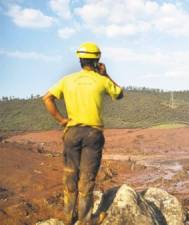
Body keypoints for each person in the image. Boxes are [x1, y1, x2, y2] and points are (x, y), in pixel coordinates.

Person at [42, 42, 123, 225]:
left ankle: (68, 218)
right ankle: (86, 220)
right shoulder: (102, 80)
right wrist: (106, 74)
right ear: (97, 61)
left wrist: (62, 120)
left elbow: (46, 98)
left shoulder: (67, 80)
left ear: (80, 60)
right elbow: (119, 94)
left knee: (70, 175)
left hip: (71, 133)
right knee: (86, 179)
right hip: (93, 135)